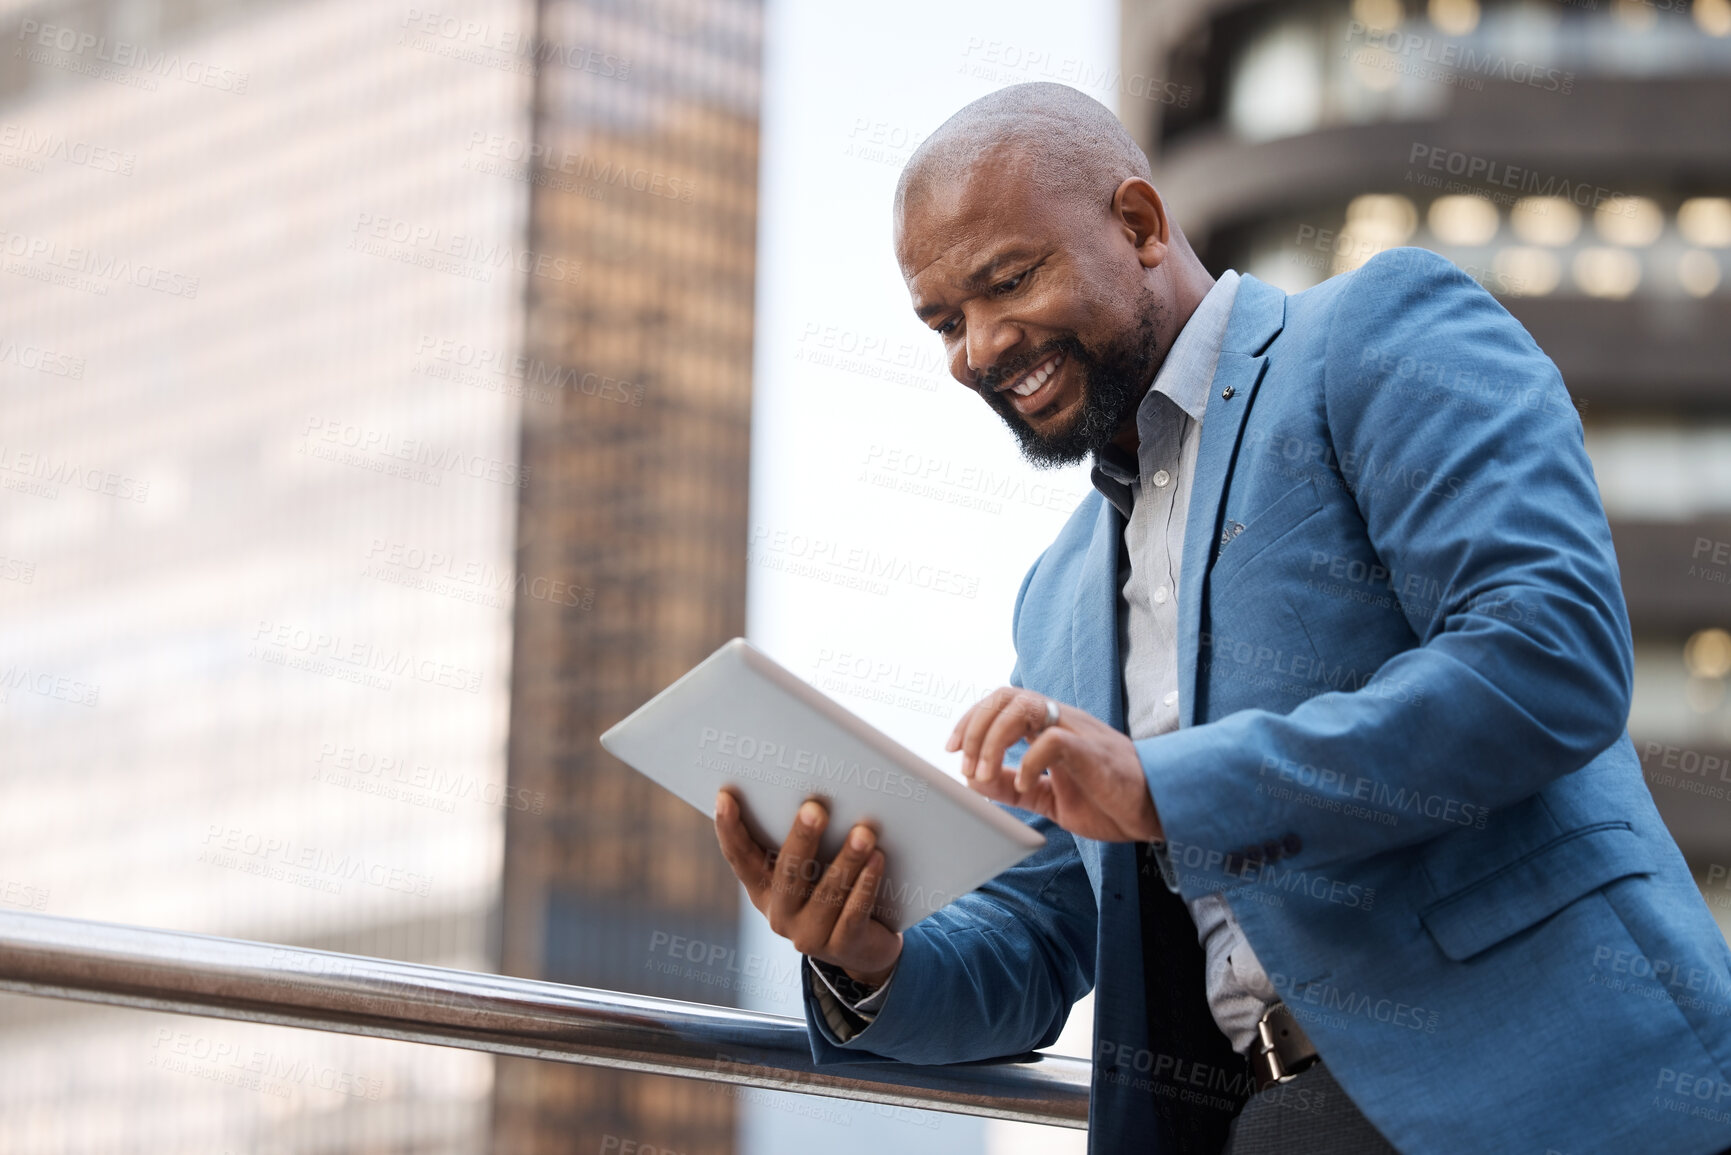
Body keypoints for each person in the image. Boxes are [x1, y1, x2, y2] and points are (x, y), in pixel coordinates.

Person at [712, 82, 1731, 1154]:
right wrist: (872, 953)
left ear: (1142, 225)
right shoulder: (1058, 593)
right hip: (1276, 1121)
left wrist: (1163, 786)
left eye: (1007, 282)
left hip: (1557, 1089)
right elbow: (1047, 929)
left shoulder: (1375, 330)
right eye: (943, 322)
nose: (979, 347)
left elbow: (1544, 656)